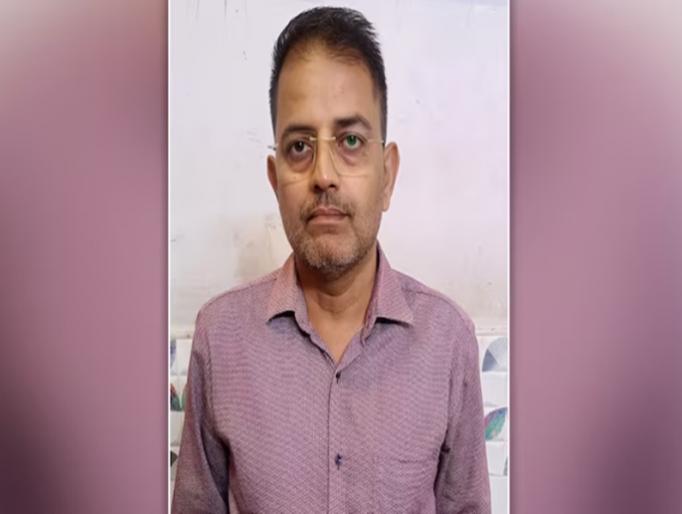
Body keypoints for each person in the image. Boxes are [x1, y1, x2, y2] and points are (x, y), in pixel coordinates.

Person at [172, 6, 490, 513]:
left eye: (350, 141)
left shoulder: (447, 342)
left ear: (387, 175)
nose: (323, 174)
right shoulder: (221, 339)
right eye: (300, 146)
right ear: (275, 180)